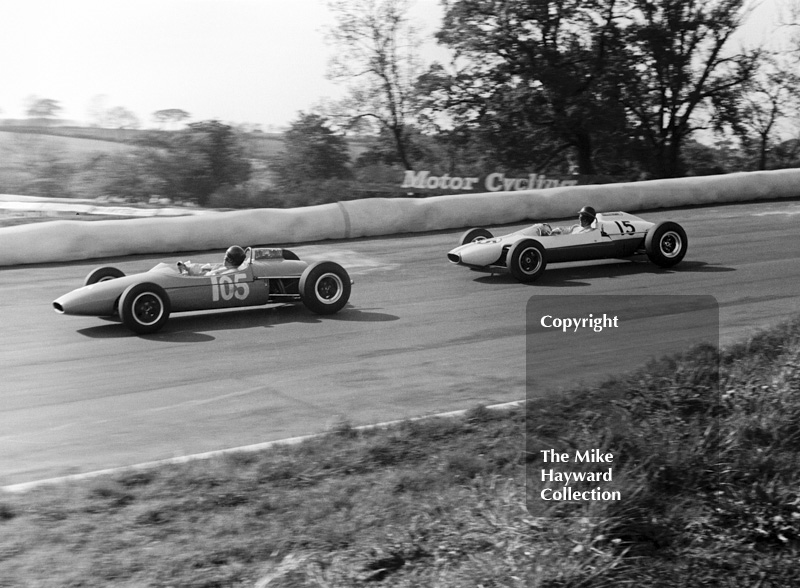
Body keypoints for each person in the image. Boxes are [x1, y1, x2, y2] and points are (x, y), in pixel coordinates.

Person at [177, 245, 247, 276]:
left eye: (227, 256)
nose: (224, 258)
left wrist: (187, 273)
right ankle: (186, 269)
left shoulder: (232, 271)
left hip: (204, 280)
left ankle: (184, 271)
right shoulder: (227, 267)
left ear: (231, 260)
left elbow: (215, 276)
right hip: (204, 276)